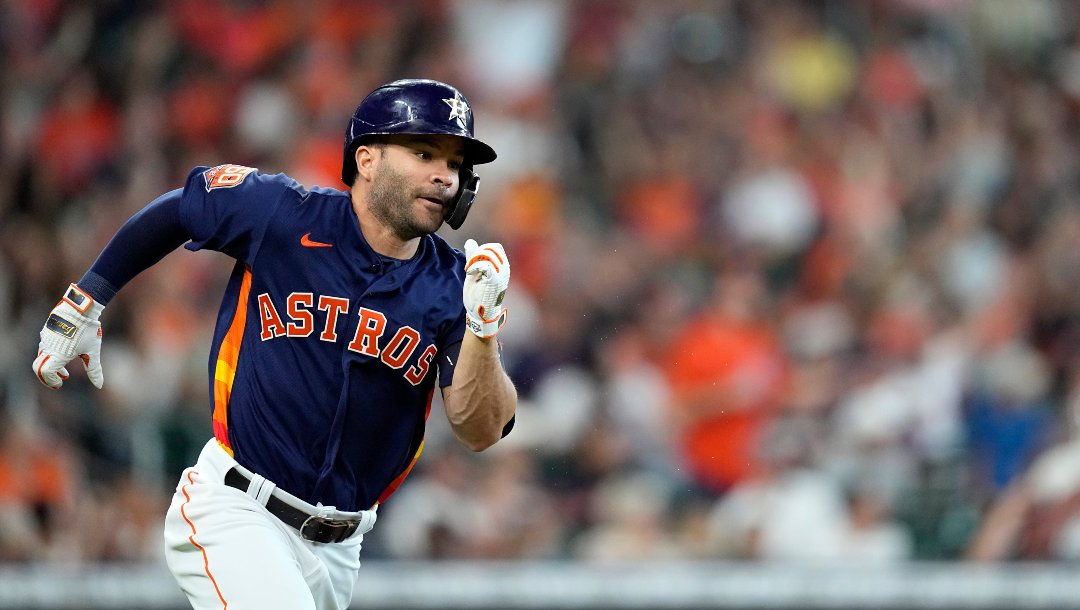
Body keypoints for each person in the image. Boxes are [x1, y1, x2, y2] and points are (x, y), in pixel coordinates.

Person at [31, 78, 518, 609]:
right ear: (367, 159)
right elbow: (182, 209)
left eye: (454, 163)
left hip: (340, 549)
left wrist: (483, 326)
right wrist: (86, 300)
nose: (444, 175)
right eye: (424, 153)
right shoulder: (284, 213)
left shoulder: (456, 287)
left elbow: (479, 428)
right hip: (238, 509)